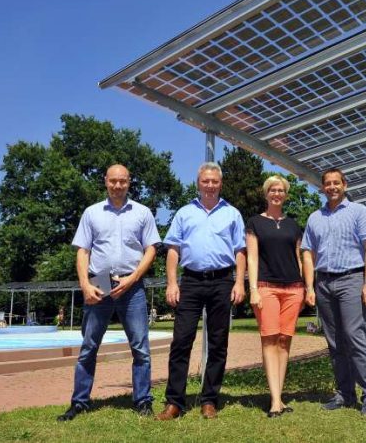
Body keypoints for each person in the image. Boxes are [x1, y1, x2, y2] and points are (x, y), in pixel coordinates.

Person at [57, 164, 161, 422]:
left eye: (122, 181)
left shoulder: (142, 213)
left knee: (140, 348)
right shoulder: (92, 213)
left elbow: (151, 249)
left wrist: (134, 277)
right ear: (105, 181)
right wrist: (84, 284)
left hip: (132, 284)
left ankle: (143, 401)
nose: (117, 185)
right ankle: (79, 402)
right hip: (99, 283)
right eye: (113, 181)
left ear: (129, 182)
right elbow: (83, 250)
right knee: (88, 346)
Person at [156, 162, 246, 421]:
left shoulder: (232, 214)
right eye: (205, 181)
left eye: (214, 181)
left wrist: (240, 283)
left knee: (218, 343)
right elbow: (172, 250)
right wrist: (172, 283)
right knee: (181, 341)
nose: (210, 185)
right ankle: (175, 402)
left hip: (222, 281)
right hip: (191, 282)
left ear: (220, 184)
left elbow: (240, 251)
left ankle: (209, 400)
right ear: (198, 183)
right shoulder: (184, 213)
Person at [301, 167, 366, 416]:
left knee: (355, 338)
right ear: (322, 188)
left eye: (337, 182)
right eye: (328, 183)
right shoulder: (315, 217)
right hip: (323, 283)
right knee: (334, 342)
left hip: (351, 279)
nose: (332, 187)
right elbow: (307, 252)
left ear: (344, 185)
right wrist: (309, 286)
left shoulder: (359, 212)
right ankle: (345, 394)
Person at [246, 175, 305, 417]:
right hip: (266, 287)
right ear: (266, 193)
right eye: (273, 190)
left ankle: (279, 397)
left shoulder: (293, 224)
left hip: (293, 289)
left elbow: (299, 258)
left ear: (286, 195)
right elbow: (251, 257)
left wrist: (304, 288)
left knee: (285, 341)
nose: (277, 194)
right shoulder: (255, 223)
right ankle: (275, 401)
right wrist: (253, 290)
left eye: (281, 190)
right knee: (269, 340)